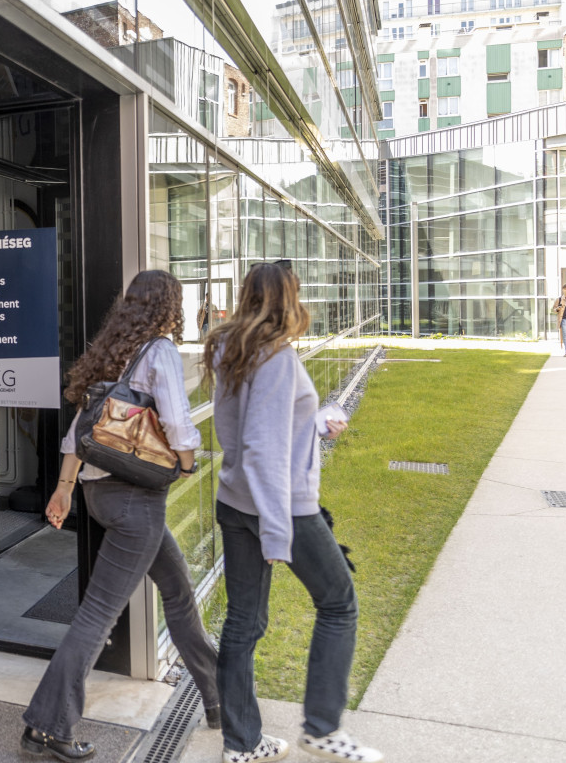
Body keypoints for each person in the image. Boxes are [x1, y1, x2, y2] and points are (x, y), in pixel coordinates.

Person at [21, 270, 220, 762]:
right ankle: (46, 727)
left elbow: (77, 435)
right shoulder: (159, 353)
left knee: (177, 592)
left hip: (100, 494)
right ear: (169, 307)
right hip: (136, 500)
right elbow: (176, 420)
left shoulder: (110, 354)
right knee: (96, 615)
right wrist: (187, 462)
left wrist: (64, 489)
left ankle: (219, 696)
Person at [204, 262, 382, 763]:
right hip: (278, 506)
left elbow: (259, 430)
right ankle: (322, 728)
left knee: (243, 622)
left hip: (235, 501)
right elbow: (262, 447)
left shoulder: (231, 351)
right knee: (339, 602)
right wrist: (277, 533)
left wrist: (318, 422)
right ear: (288, 298)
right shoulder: (275, 357)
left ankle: (241, 745)